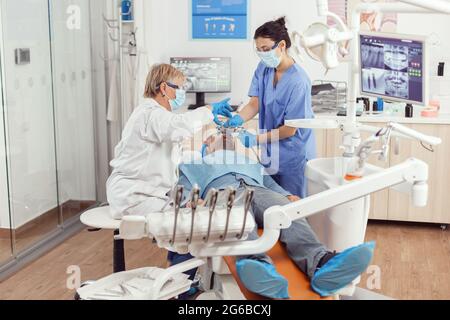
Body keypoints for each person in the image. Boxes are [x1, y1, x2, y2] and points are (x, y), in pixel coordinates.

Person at [170, 134, 375, 299]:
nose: (225, 136)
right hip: (224, 193)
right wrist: (192, 203)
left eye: (227, 136)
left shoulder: (251, 162)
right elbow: (183, 193)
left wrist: (287, 196)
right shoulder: (195, 164)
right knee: (238, 220)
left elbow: (269, 184)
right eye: (218, 135)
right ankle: (260, 268)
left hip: (261, 192)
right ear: (208, 146)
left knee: (284, 211)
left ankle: (322, 262)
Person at [106, 63, 233, 219]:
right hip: (134, 197)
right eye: (179, 88)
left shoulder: (157, 116)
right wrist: (209, 110)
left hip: (145, 192)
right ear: (164, 88)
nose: (182, 93)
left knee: (194, 209)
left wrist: (204, 153)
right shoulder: (150, 114)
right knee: (189, 217)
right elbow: (180, 125)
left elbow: (173, 158)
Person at [224, 17, 316, 199]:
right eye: (258, 50)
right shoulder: (264, 68)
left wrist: (257, 139)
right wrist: (237, 118)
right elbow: (255, 103)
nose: (262, 54)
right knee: (272, 202)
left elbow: (290, 129)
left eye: (265, 49)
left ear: (281, 45)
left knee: (291, 205)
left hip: (293, 155)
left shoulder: (299, 82)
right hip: (270, 153)